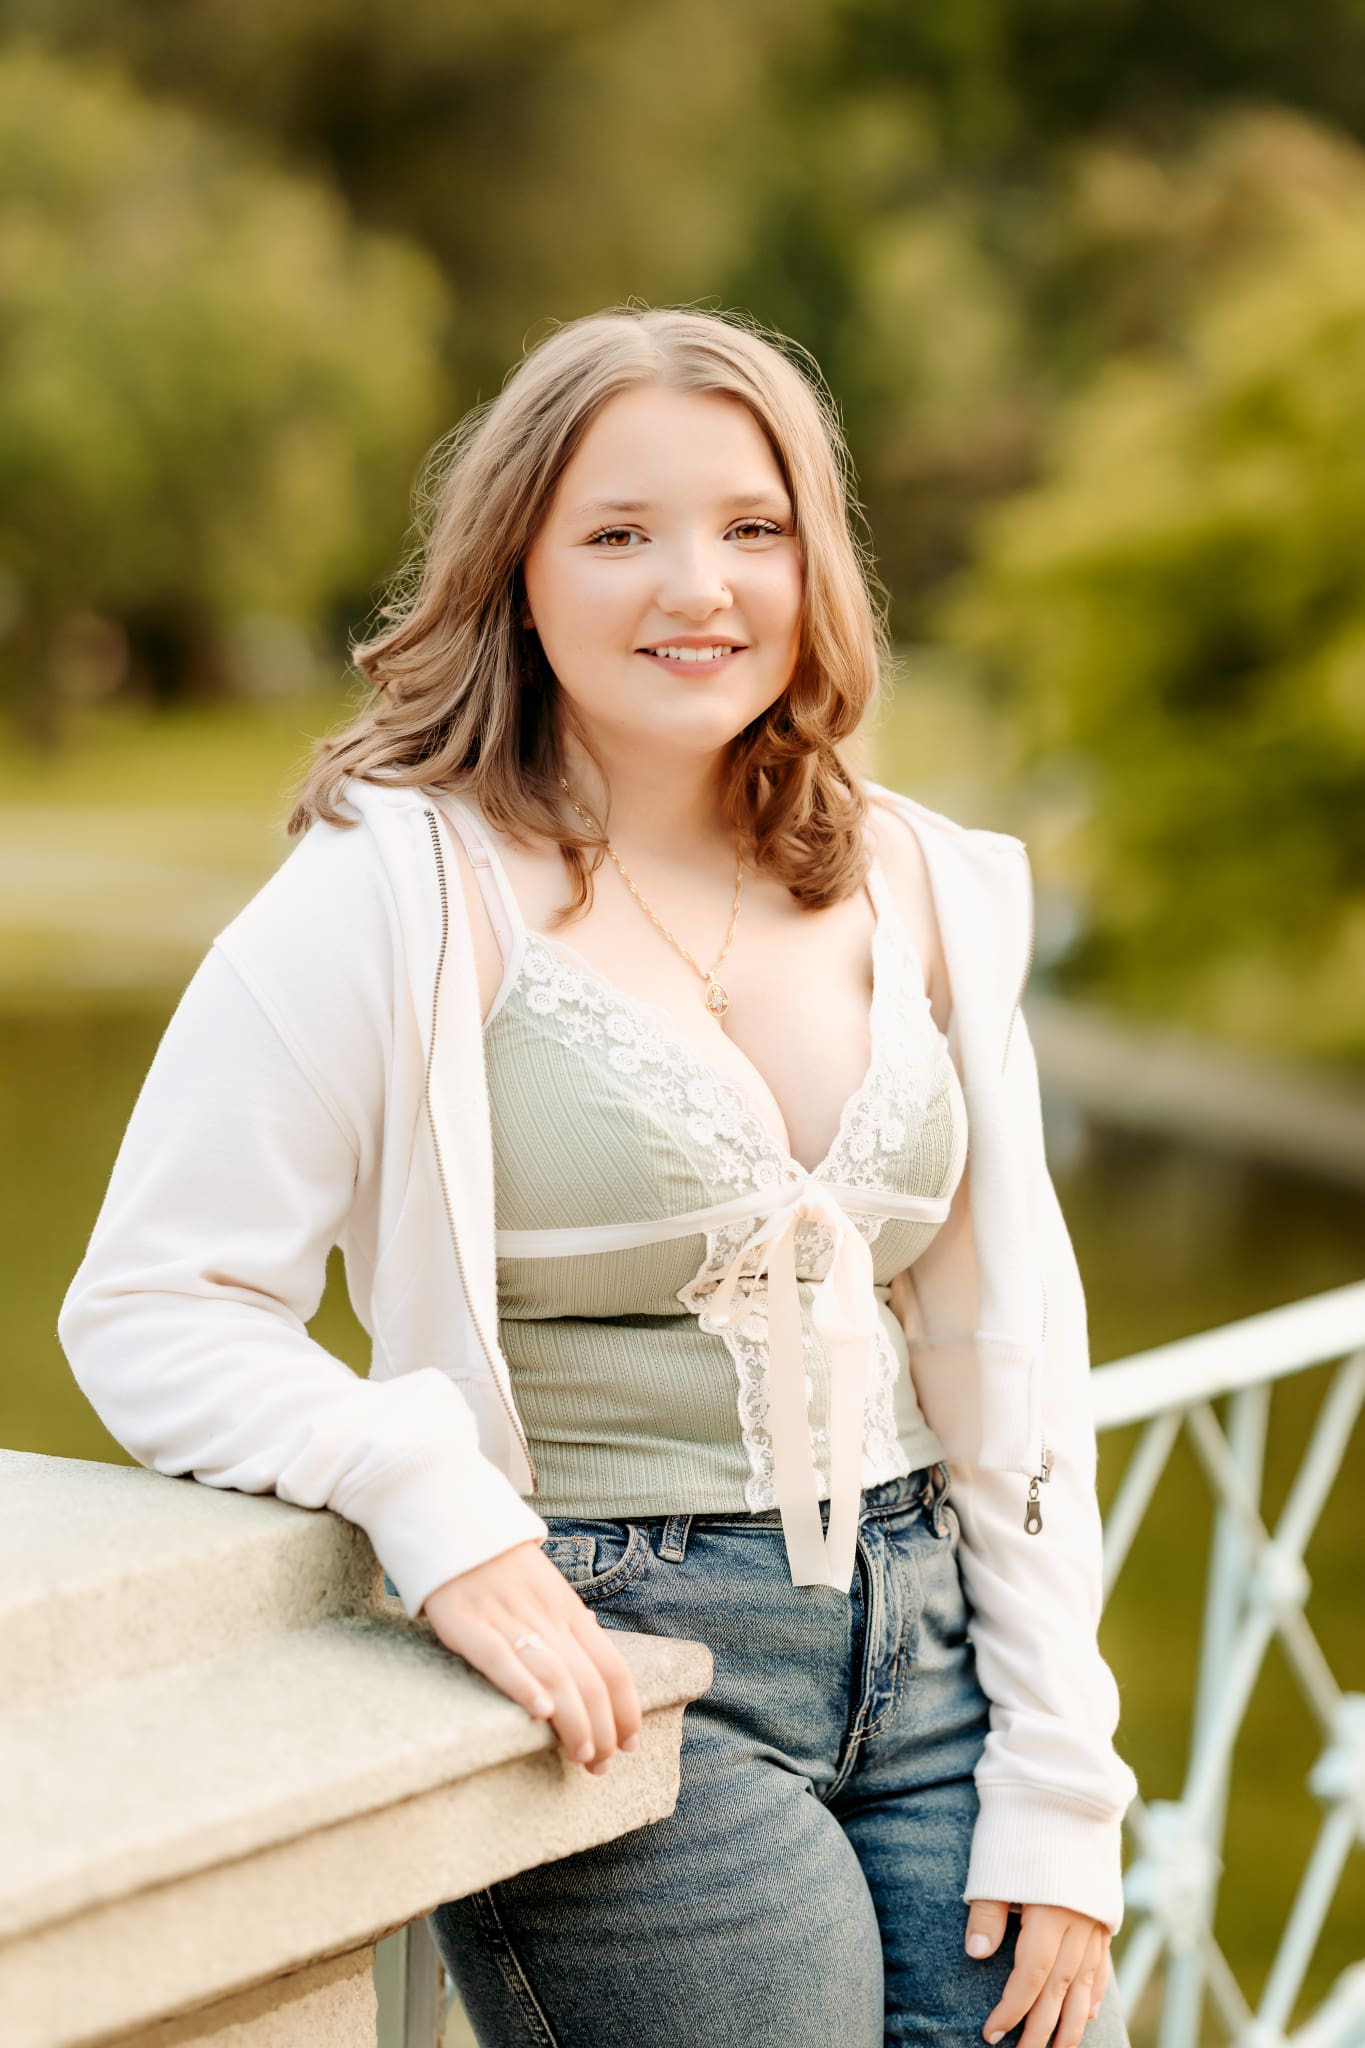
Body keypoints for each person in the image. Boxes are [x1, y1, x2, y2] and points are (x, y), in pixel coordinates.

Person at [58, 304, 1139, 2048]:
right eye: (619, 533)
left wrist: (1063, 1773)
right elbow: (155, 1305)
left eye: (750, 527)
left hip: (941, 1648)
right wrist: (433, 1509)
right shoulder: (393, 889)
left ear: (813, 562)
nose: (695, 587)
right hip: (608, 1658)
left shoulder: (923, 880)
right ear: (517, 572)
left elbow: (1010, 1352)